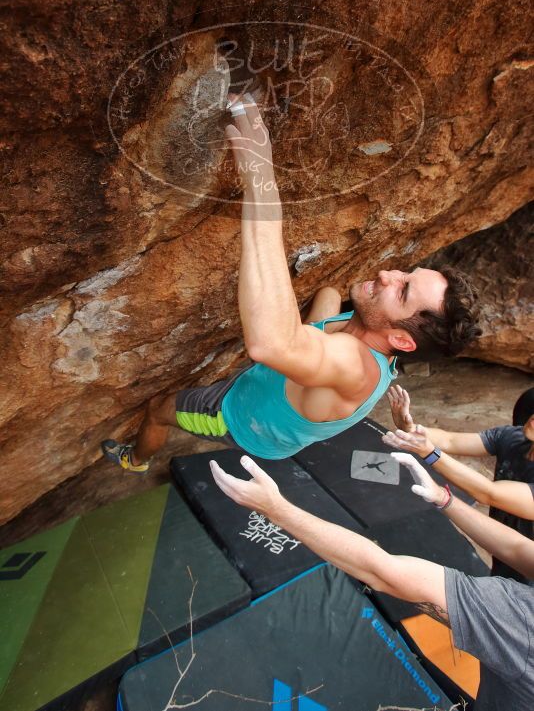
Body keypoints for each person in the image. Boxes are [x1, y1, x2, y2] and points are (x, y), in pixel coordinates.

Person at [102, 94, 480, 473]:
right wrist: (318, 313)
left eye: (402, 290)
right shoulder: (376, 339)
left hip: (236, 416)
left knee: (158, 410)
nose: (386, 274)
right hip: (279, 421)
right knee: (326, 300)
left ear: (401, 340)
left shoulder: (357, 366)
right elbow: (328, 300)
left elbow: (271, 344)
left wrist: (262, 182)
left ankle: (135, 459)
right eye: (405, 273)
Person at [209, 453, 534, 711]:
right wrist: (444, 499)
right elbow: (519, 549)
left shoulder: (519, 619)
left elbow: (384, 572)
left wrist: (276, 510)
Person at [385, 385, 534, 583]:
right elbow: (451, 440)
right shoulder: (513, 437)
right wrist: (410, 428)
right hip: (502, 549)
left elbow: (489, 494)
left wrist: (429, 453)